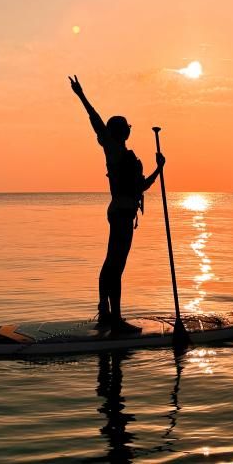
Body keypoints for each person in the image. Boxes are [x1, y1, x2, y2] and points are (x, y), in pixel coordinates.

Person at [69, 75, 165, 334]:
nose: (129, 129)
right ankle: (116, 320)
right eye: (126, 127)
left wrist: (159, 169)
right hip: (121, 214)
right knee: (116, 266)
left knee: (110, 264)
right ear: (120, 131)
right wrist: (81, 95)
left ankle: (105, 312)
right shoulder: (113, 149)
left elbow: (141, 187)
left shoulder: (127, 156)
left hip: (122, 212)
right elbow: (96, 121)